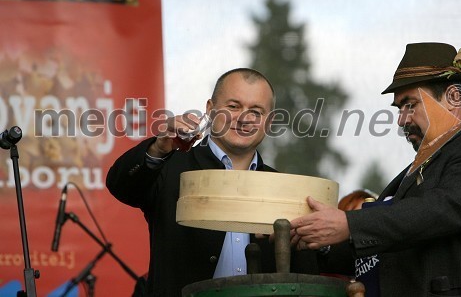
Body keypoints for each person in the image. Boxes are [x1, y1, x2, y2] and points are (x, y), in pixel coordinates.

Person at [290, 43, 461, 296]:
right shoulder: (423, 163)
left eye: (410, 104)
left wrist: (349, 224)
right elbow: (393, 235)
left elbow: (444, 208)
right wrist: (318, 237)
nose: (402, 120)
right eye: (399, 109)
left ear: (454, 97)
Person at [106, 68, 318, 297]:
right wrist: (157, 148)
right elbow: (120, 184)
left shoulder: (283, 188)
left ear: (270, 121)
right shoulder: (170, 167)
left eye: (256, 111)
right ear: (210, 109)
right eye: (233, 106)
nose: (244, 118)